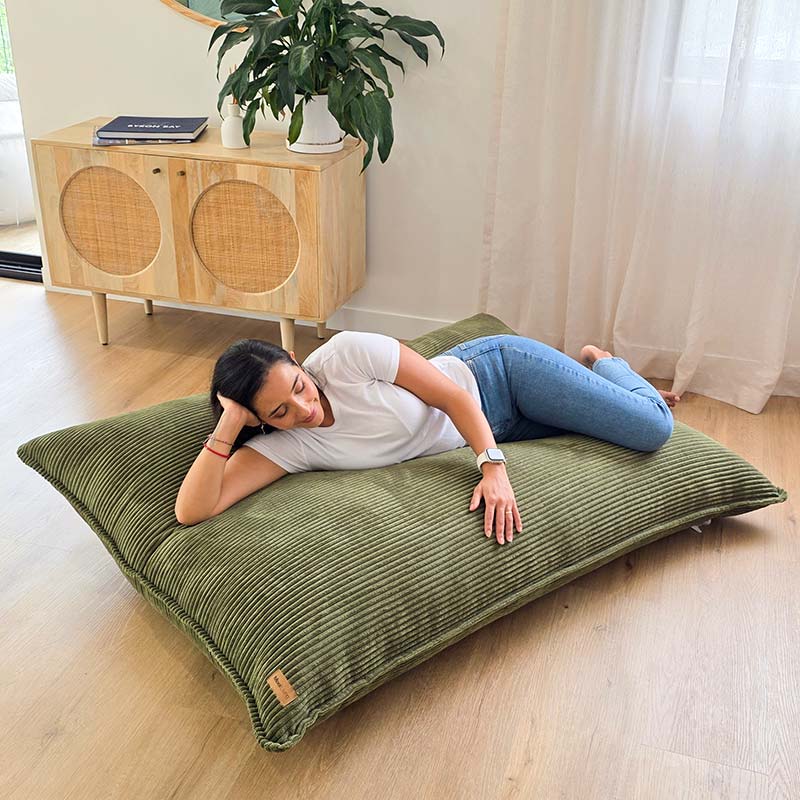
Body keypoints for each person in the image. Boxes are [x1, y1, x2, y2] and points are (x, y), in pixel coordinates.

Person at [174, 331, 680, 542]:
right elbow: (193, 510)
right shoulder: (287, 446)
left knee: (652, 426)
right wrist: (229, 424)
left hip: (499, 378)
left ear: (296, 361)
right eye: (280, 411)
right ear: (258, 420)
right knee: (610, 429)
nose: (305, 409)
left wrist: (493, 469)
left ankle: (604, 363)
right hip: (502, 430)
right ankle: (596, 383)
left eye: (299, 386)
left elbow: (453, 398)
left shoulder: (344, 355)